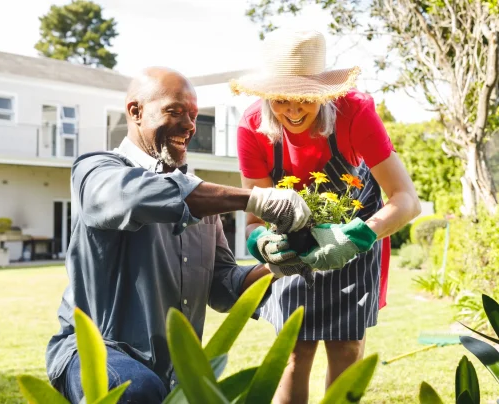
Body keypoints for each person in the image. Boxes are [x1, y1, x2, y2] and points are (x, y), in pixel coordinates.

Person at [45, 66, 312, 404]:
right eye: (174, 111)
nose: (189, 125)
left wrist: (278, 265)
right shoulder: (96, 170)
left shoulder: (202, 204)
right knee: (137, 390)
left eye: (193, 115)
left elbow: (223, 286)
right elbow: (135, 196)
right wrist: (256, 199)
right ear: (136, 112)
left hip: (175, 367)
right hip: (97, 351)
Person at [231, 30, 421, 403]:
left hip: (358, 230)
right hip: (292, 241)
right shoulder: (251, 128)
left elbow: (406, 200)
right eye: (282, 100)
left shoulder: (355, 112)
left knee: (347, 347)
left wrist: (359, 237)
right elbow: (255, 221)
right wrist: (262, 243)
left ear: (324, 92)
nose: (293, 111)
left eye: (306, 99)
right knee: (294, 350)